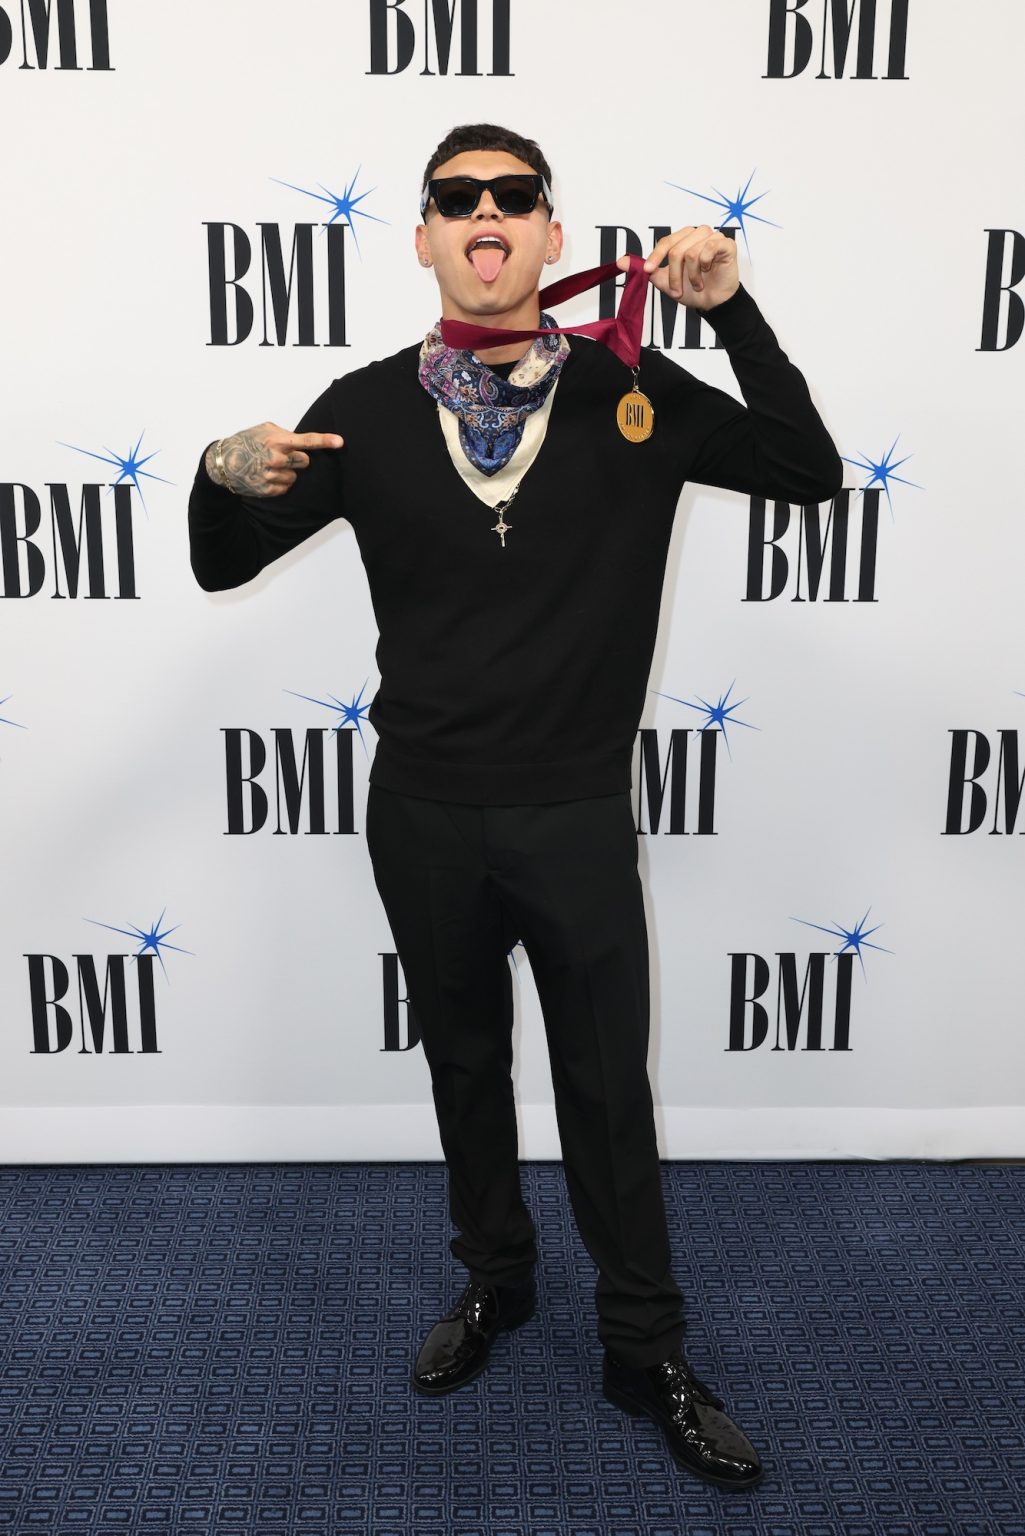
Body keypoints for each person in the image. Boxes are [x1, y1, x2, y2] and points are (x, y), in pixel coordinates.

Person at [188, 122, 842, 1490]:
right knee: (465, 1065)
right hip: (421, 812)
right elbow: (221, 560)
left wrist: (733, 313)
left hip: (573, 816)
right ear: (424, 237)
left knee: (608, 1090)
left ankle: (642, 1344)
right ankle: (497, 1281)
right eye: (454, 198)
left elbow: (805, 468)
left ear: (550, 237)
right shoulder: (364, 409)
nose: (484, 212)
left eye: (513, 196)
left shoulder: (629, 390)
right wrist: (212, 477)